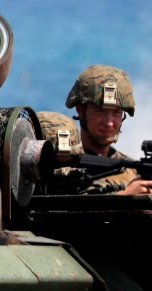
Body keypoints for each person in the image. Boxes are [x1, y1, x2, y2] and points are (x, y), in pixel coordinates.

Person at [65, 64, 152, 195]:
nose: (109, 123)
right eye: (99, 112)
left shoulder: (132, 170)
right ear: (80, 110)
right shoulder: (62, 166)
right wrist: (124, 198)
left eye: (116, 112)